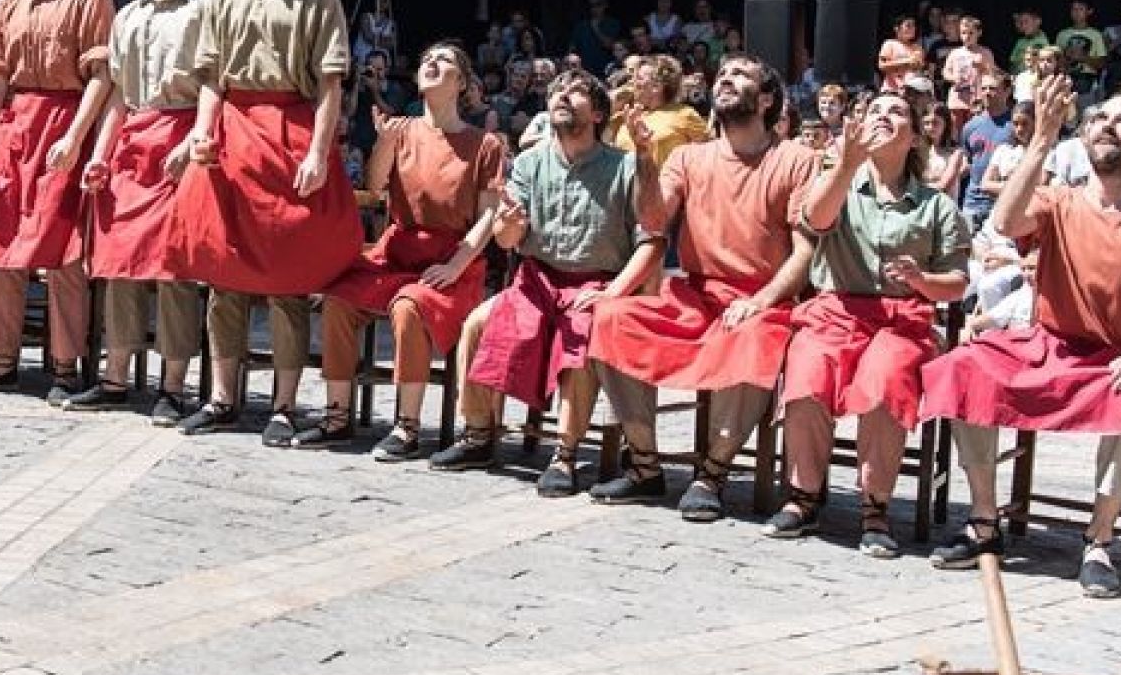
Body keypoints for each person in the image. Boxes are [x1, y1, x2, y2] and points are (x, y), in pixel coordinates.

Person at [922, 78, 1121, 598]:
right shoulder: (1059, 200)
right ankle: (984, 522)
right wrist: (1041, 142)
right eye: (1099, 118)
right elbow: (1005, 221)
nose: (1105, 126)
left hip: (1116, 358)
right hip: (1046, 345)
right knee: (962, 366)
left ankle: (1098, 540)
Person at [166, 0, 364, 441]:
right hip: (232, 137)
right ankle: (223, 397)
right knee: (222, 274)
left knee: (287, 281)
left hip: (289, 135)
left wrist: (320, 155)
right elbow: (212, 80)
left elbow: (329, 86)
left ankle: (283, 404)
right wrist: (201, 136)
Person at [587, 54, 820, 520]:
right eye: (724, 74)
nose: (727, 80)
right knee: (612, 317)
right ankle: (646, 467)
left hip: (762, 297)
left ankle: (712, 473)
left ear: (768, 98)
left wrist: (760, 301)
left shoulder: (796, 158)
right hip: (695, 295)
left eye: (741, 75)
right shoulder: (688, 156)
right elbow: (652, 221)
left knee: (756, 338)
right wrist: (644, 158)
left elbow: (804, 252)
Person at [431, 67, 660, 487]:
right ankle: (478, 434)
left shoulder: (624, 167)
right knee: (479, 324)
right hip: (536, 280)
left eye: (575, 93)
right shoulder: (530, 163)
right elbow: (507, 238)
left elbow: (651, 241)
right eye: (557, 92)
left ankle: (565, 455)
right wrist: (510, 224)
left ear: (597, 115)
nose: (562, 97)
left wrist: (614, 293)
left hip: (597, 283)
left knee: (579, 338)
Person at [766, 90, 970, 557]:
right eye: (875, 110)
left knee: (886, 379)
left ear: (915, 135)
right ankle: (804, 496)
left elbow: (957, 282)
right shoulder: (838, 177)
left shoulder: (934, 205)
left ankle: (874, 505)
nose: (883, 117)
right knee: (807, 372)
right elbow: (814, 220)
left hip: (901, 319)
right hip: (835, 310)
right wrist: (844, 165)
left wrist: (922, 279)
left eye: (896, 112)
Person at [313, 43, 505, 458]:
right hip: (396, 253)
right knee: (338, 300)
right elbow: (377, 185)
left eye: (445, 61)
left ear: (461, 83)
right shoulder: (402, 131)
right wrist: (383, 143)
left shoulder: (483, 144)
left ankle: (407, 426)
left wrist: (456, 265)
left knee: (409, 307)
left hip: (451, 262)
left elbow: (489, 217)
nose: (431, 63)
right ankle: (337, 416)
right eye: (426, 60)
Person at [66, 0, 210, 423]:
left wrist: (195, 137)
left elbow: (219, 89)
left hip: (181, 135)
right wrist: (101, 153)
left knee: (175, 269)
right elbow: (119, 97)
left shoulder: (208, 9)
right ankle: (115, 377)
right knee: (119, 262)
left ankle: (173, 386)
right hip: (132, 140)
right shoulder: (127, 16)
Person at [0, 0, 116, 401]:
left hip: (64, 122)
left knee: (64, 251)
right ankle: (2, 360)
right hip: (15, 128)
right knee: (0, 245)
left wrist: (76, 138)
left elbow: (102, 77)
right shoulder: (7, 1)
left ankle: (65, 365)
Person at [610, 54, 708, 165]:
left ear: (656, 86)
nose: (632, 83)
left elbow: (708, 155)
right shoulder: (627, 115)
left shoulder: (684, 114)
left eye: (639, 78)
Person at [959, 71, 1015, 235]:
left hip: (1003, 201)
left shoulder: (1016, 125)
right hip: (973, 203)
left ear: (1007, 91)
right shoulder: (970, 126)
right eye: (983, 88)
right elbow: (968, 161)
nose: (987, 93)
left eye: (993, 88)